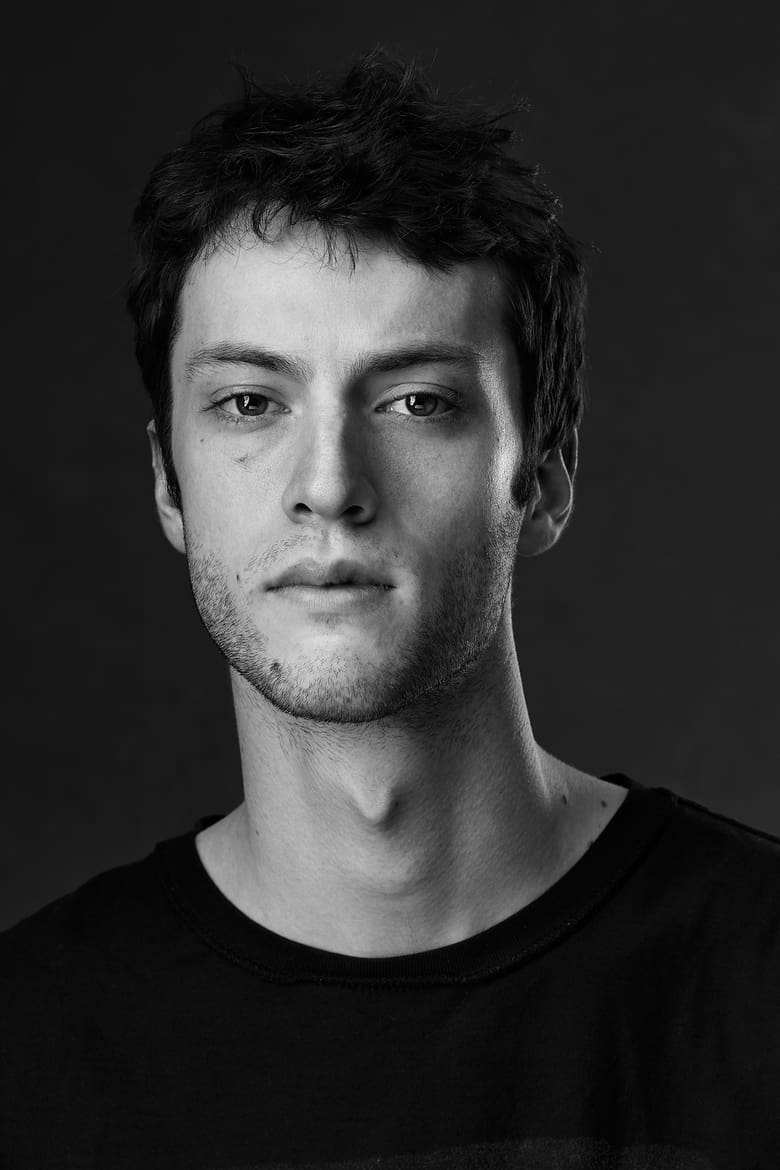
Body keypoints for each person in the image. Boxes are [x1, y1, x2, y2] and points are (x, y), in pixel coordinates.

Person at [1, 48, 777, 1170]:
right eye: (249, 401)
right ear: (170, 483)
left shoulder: (756, 979)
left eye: (417, 401)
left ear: (544, 477)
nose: (328, 486)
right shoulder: (30, 1048)